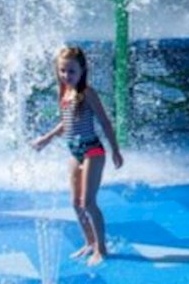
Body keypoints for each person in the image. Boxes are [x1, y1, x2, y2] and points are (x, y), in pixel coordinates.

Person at [31, 46, 124, 266]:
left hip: (93, 150)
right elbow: (66, 122)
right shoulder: (64, 93)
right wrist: (47, 138)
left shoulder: (87, 93)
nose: (66, 76)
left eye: (71, 71)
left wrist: (115, 150)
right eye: (62, 71)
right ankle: (89, 242)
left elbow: (104, 121)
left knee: (89, 202)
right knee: (75, 203)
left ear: (82, 70)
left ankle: (102, 249)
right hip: (74, 152)